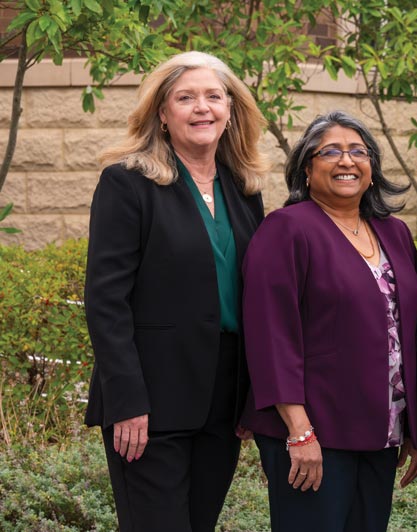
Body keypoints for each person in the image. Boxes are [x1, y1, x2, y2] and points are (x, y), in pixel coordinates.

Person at [83, 51, 268, 532]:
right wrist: (125, 400)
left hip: (223, 400)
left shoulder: (244, 190)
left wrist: (253, 394)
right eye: (185, 98)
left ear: (231, 110)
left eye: (213, 96)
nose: (201, 107)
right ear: (162, 114)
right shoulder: (127, 184)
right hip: (150, 400)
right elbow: (106, 302)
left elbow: (257, 299)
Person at [240, 110, 417, 532]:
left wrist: (414, 423)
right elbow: (271, 336)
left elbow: (410, 331)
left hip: (380, 431)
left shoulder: (393, 232)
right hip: (314, 432)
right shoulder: (286, 229)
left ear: (372, 169)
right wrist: (300, 431)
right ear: (307, 169)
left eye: (358, 151)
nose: (347, 161)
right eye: (331, 152)